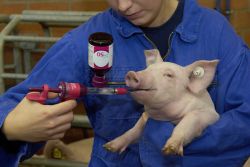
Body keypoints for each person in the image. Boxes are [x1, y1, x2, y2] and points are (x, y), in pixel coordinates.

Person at [0, 0, 250, 166]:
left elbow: (245, 118)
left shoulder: (215, 33)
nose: (123, 5)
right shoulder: (90, 40)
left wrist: (158, 135)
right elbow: (21, 99)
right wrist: (9, 128)